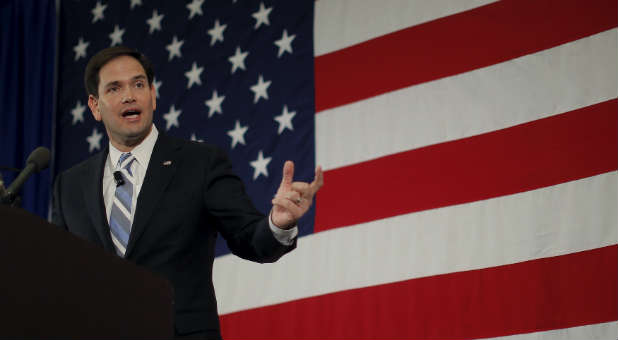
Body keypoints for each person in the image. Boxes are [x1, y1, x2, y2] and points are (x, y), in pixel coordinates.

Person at [52, 46, 323, 339]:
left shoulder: (200, 163)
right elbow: (60, 276)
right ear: (95, 106)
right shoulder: (70, 186)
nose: (129, 95)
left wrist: (278, 223)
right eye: (115, 88)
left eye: (139, 84)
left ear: (153, 95)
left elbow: (249, 237)